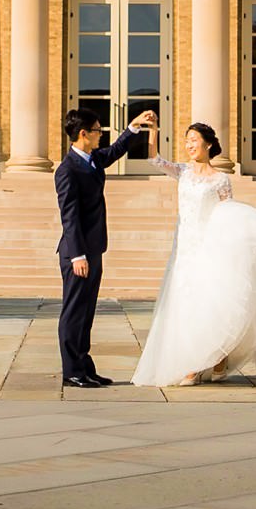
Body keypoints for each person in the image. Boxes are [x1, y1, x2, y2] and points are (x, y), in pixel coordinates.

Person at [132, 122, 256, 387]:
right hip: (184, 250)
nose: (189, 145)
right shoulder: (183, 171)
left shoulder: (221, 179)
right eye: (186, 140)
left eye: (194, 140)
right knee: (184, 304)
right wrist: (152, 130)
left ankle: (207, 361)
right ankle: (199, 361)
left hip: (209, 247)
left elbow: (229, 212)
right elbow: (154, 159)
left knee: (210, 304)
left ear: (208, 144)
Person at [55, 106, 159, 389]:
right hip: (77, 253)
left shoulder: (91, 160)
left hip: (94, 248)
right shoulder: (67, 169)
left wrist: (134, 126)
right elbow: (70, 215)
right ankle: (71, 371)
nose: (101, 135)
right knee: (74, 311)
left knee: (86, 311)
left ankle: (85, 367)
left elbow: (115, 150)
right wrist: (77, 254)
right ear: (83, 134)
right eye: (98, 131)